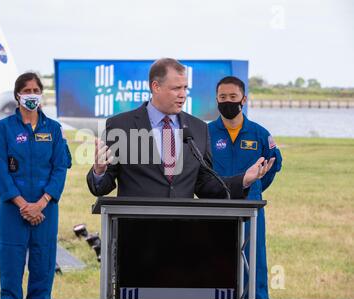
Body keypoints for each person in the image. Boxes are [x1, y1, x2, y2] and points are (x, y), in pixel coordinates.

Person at [87, 58, 275, 200]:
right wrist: (99, 172)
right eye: (176, 88)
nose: (183, 95)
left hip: (182, 234)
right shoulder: (121, 125)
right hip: (134, 234)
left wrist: (244, 180)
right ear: (156, 87)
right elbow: (100, 187)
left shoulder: (198, 128)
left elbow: (204, 184)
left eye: (185, 88)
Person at [0, 72, 71, 299]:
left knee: (42, 276)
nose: (32, 95)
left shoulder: (54, 129)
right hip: (13, 210)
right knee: (10, 279)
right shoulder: (3, 129)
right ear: (17, 95)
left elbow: (60, 167)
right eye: (27, 91)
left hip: (46, 211)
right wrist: (23, 204)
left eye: (36, 90)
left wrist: (42, 203)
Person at [208, 76, 283, 299]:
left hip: (251, 210)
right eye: (223, 97)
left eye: (233, 96)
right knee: (215, 260)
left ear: (244, 99)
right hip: (216, 207)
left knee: (255, 262)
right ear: (216, 100)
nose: (228, 101)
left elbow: (272, 166)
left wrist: (255, 188)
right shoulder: (207, 133)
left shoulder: (260, 134)